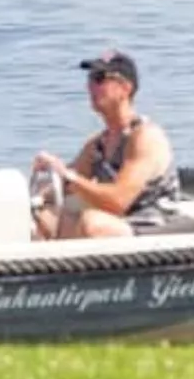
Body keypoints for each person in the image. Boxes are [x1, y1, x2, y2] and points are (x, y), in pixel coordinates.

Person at [31, 49, 181, 240]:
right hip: (120, 226)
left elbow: (118, 201)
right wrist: (36, 195)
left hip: (155, 231)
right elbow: (64, 184)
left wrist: (67, 176)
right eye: (91, 78)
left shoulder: (145, 137)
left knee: (92, 223)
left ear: (125, 88)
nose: (91, 86)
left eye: (100, 78)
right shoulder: (98, 145)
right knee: (43, 217)